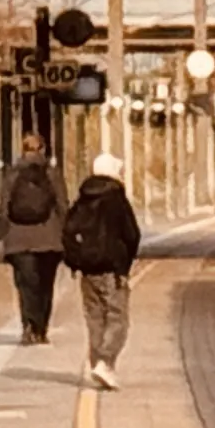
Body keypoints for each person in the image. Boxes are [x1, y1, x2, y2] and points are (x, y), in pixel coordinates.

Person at [62, 150, 139, 391]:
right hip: (112, 270)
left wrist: (75, 260)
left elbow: (67, 231)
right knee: (118, 320)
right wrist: (124, 264)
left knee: (95, 319)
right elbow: (131, 234)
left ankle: (100, 366)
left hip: (87, 271)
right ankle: (105, 362)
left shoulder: (82, 198)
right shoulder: (116, 199)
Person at [0, 133, 60, 342]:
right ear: (43, 149)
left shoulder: (12, 174)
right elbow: (62, 205)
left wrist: (2, 237)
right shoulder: (52, 174)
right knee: (45, 285)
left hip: (18, 240)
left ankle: (28, 325)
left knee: (25, 285)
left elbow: (3, 207)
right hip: (49, 239)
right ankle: (41, 329)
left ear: (23, 150)